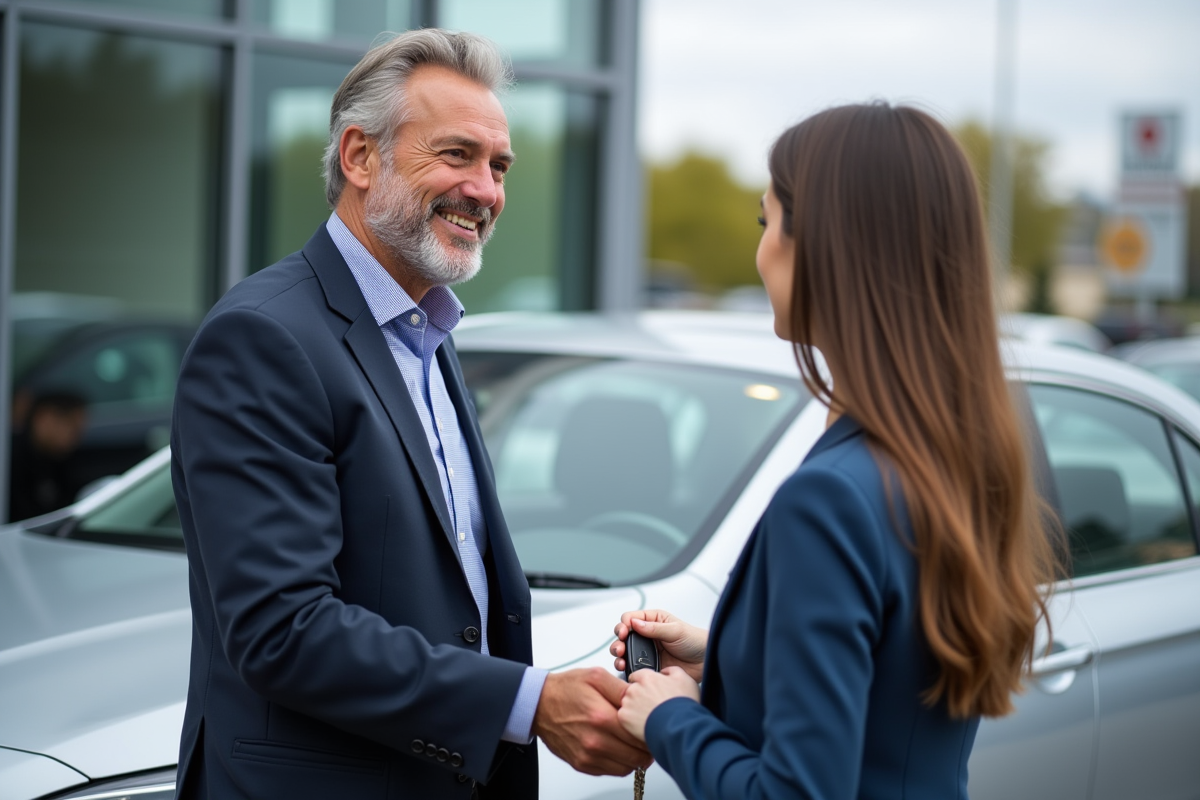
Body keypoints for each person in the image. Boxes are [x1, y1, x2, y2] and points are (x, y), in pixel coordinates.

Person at [170, 29, 648, 800]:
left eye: (499, 167)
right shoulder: (264, 336)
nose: (486, 190)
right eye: (456, 155)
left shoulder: (427, 329)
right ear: (360, 158)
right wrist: (525, 702)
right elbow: (282, 630)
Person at [610, 103, 1063, 799]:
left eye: (768, 222)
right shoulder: (953, 462)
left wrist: (669, 718)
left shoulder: (829, 498)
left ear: (825, 244)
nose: (760, 250)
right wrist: (725, 656)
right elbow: (893, 681)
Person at [8, 389, 88, 521]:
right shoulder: (13, 462)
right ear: (44, 418)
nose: (77, 435)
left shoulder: (61, 460)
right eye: (72, 425)